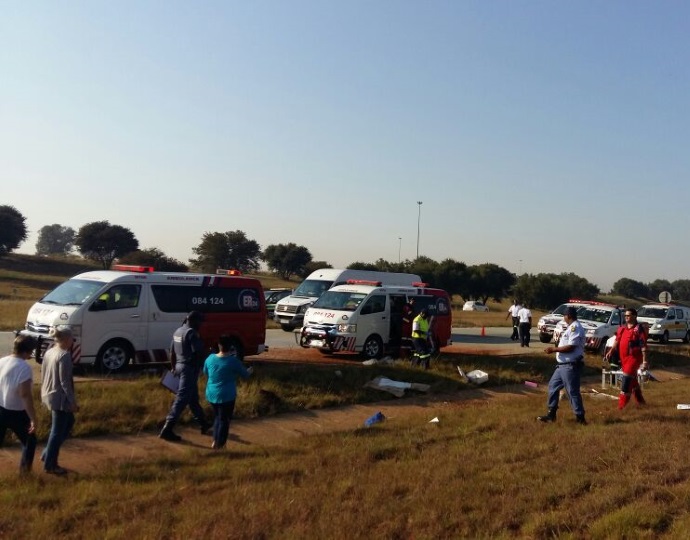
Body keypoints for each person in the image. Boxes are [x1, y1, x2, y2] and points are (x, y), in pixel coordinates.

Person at [159, 311, 211, 441]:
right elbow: (199, 352)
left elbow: (172, 352)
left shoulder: (178, 331)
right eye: (200, 322)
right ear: (193, 321)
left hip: (179, 367)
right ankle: (167, 429)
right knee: (182, 399)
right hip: (189, 369)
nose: (201, 324)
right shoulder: (191, 333)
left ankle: (203, 424)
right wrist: (210, 355)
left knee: (192, 398)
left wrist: (173, 368)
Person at [538, 306, 587, 425]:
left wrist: (554, 349)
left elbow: (571, 346)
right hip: (561, 366)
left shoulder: (575, 327)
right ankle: (551, 414)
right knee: (552, 387)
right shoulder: (570, 327)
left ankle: (580, 418)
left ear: (568, 316)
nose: (564, 318)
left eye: (564, 316)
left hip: (570, 365)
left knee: (572, 391)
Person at [202, 335, 253, 449]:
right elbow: (245, 375)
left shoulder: (210, 358)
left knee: (217, 417)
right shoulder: (233, 361)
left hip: (211, 393)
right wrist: (249, 371)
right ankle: (220, 444)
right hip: (226, 395)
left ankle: (215, 441)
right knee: (224, 420)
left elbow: (205, 372)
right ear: (230, 347)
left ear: (218, 346)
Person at [41, 326, 79, 475]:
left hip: (48, 393)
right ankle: (50, 464)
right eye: (71, 338)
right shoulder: (64, 355)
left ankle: (47, 453)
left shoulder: (50, 351)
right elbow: (65, 382)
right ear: (66, 339)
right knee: (57, 431)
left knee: (68, 422)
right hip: (60, 398)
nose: (72, 341)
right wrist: (72, 401)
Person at [0, 335, 38, 473]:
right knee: (30, 441)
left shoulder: (2, 361)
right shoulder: (24, 368)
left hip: (0, 408)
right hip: (17, 412)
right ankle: (24, 474)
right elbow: (25, 395)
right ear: (27, 351)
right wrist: (33, 418)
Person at [605, 308, 649, 409]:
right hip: (623, 359)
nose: (626, 317)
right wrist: (611, 351)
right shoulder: (622, 328)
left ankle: (621, 407)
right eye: (625, 316)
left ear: (634, 316)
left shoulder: (638, 329)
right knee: (633, 381)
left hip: (633, 359)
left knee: (626, 381)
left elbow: (643, 346)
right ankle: (641, 403)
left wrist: (645, 361)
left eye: (628, 316)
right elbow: (617, 340)